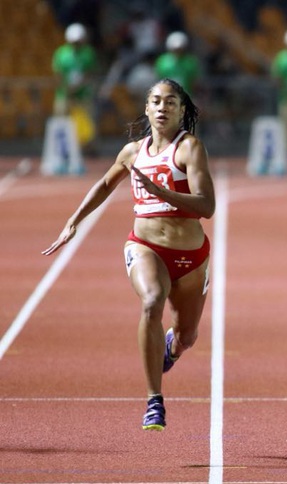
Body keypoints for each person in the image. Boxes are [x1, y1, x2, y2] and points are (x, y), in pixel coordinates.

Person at [43, 79, 216, 432]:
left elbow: (208, 206)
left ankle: (172, 347)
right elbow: (106, 184)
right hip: (145, 245)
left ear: (183, 110)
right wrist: (73, 222)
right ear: (147, 108)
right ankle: (155, 401)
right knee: (152, 300)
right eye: (156, 101)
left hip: (191, 257)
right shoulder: (132, 152)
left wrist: (162, 192)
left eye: (171, 101)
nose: (163, 107)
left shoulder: (190, 149)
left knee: (188, 335)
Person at [51, 23, 98, 157]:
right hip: (64, 94)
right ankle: (61, 151)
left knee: (87, 122)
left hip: (83, 95)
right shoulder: (61, 53)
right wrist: (67, 91)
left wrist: (77, 88)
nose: (76, 44)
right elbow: (58, 75)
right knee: (61, 120)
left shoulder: (88, 53)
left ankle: (88, 150)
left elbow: (89, 73)